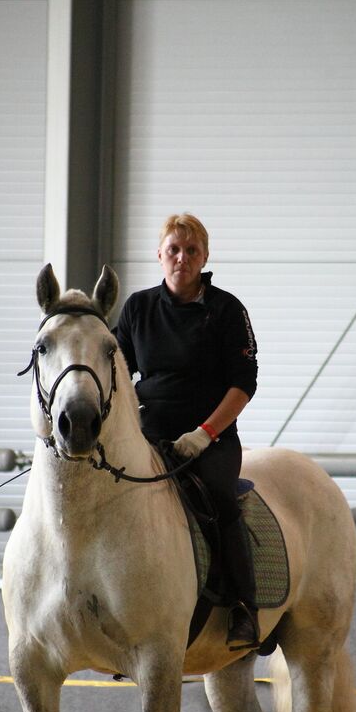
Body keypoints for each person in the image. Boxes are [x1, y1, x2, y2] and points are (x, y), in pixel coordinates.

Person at [115, 213, 259, 648]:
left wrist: (205, 433)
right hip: (149, 435)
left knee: (218, 498)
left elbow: (244, 384)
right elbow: (118, 374)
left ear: (205, 257)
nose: (182, 258)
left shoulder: (227, 310)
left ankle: (242, 608)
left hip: (209, 438)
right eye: (174, 249)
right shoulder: (137, 308)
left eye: (191, 250)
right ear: (159, 255)